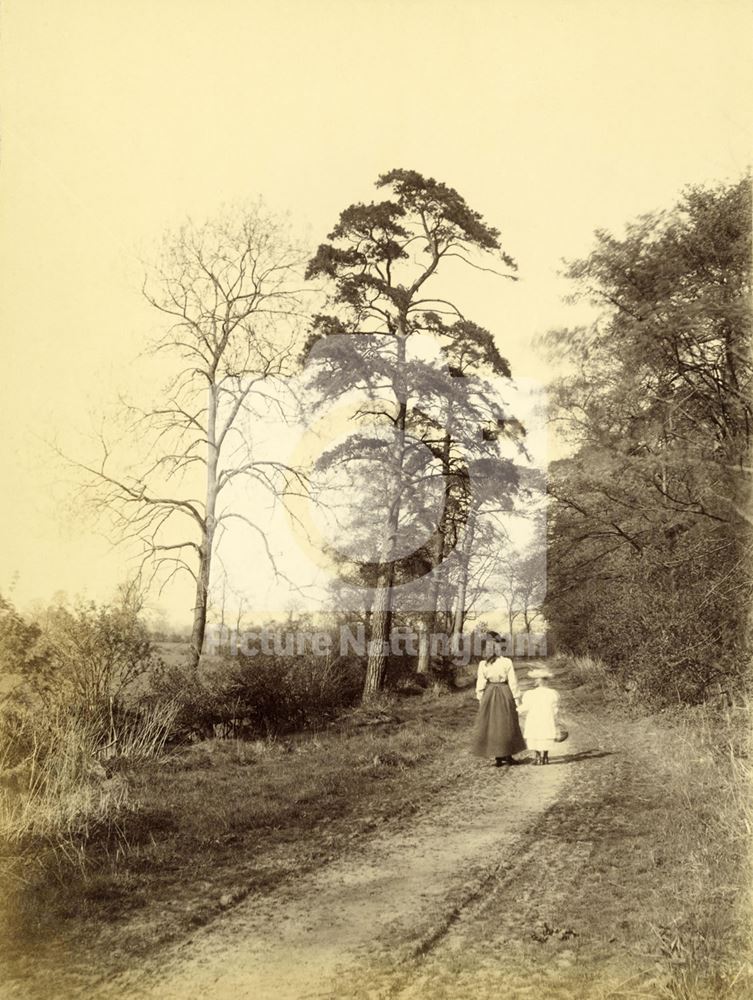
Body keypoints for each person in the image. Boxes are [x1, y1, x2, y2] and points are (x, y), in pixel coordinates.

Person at [471, 635, 526, 766]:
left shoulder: (483, 664)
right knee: (506, 723)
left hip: (489, 693)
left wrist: (480, 697)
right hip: (504, 691)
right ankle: (506, 755)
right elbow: (512, 681)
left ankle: (500, 757)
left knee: (494, 725)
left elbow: (481, 682)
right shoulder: (506, 662)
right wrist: (516, 698)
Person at [519, 666, 561, 765]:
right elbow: (555, 708)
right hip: (546, 718)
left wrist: (517, 709)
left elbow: (525, 707)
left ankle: (538, 757)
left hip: (534, 719)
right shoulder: (552, 693)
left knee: (535, 736)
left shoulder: (530, 694)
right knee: (546, 736)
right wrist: (554, 716)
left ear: (537, 682)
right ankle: (545, 757)